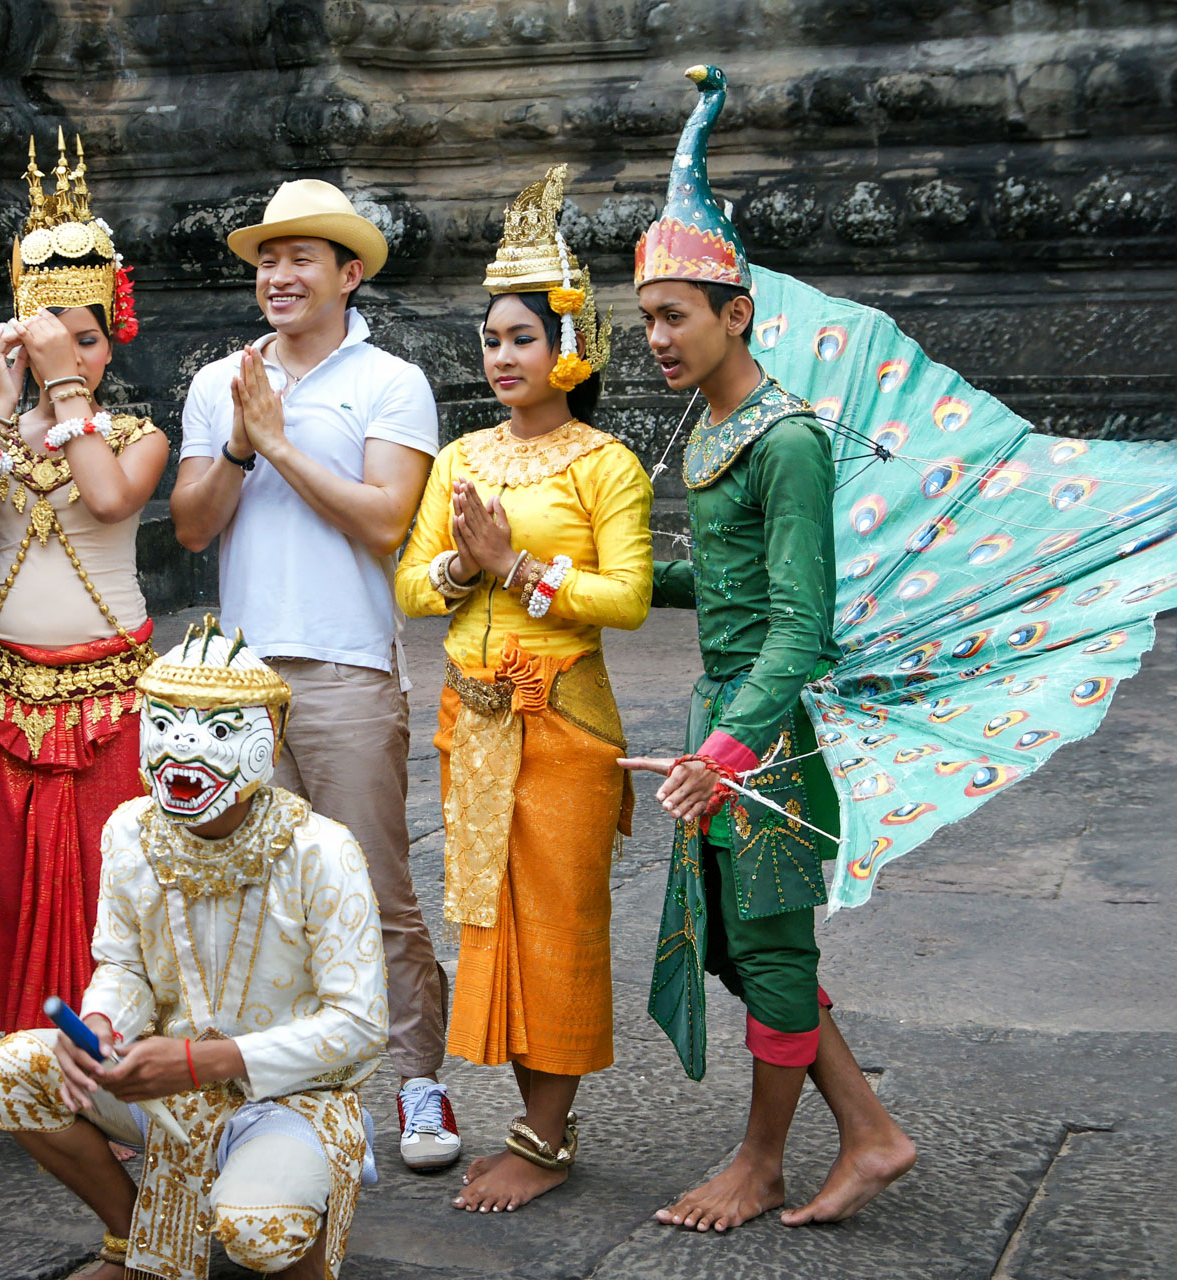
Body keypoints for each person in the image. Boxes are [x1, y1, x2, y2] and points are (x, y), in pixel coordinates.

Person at [616, 66, 918, 1232]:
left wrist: (735, 744)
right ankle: (874, 1134)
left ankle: (760, 1161)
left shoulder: (785, 440)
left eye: (673, 315)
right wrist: (555, 579)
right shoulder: (719, 428)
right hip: (727, 717)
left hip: (770, 735)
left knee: (769, 948)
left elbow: (802, 624)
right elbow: (725, 589)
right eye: (645, 318)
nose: (655, 338)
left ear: (736, 313)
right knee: (744, 945)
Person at [169, 178, 458, 1169]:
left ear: (349, 272)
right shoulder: (221, 381)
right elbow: (193, 524)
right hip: (240, 680)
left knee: (373, 886)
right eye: (266, 260)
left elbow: (387, 520)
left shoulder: (391, 381)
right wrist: (243, 443)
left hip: (346, 665)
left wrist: (279, 438)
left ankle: (420, 1082)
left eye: (301, 258)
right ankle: (285, 1093)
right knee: (255, 890)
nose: (279, 276)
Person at [0, 618, 386, 1280]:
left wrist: (206, 1061)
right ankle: (131, 1239)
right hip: (168, 1084)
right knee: (12, 1073)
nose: (181, 749)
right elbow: (125, 966)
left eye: (219, 731)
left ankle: (304, 1212)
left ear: (266, 739)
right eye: (165, 723)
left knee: (258, 1231)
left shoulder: (322, 850)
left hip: (293, 1095)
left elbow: (361, 1029)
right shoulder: (130, 830)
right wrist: (103, 1024)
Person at [396, 165, 652, 1212]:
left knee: (557, 922)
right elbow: (415, 585)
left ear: (570, 345)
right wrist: (464, 566)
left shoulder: (609, 466)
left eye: (521, 338)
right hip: (476, 716)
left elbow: (628, 598)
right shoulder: (461, 456)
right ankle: (536, 1123)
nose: (502, 357)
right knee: (488, 923)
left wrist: (513, 569)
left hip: (564, 722)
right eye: (492, 340)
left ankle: (543, 1138)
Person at [0, 132, 167, 1033]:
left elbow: (105, 501)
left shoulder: (139, 435)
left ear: (110, 344)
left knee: (114, 876)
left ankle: (116, 1050)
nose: (77, 357)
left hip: (114, 687)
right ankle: (37, 1050)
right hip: (9, 687)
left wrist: (67, 394)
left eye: (89, 342)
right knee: (23, 879)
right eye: (56, 341)